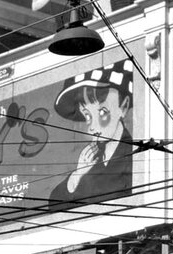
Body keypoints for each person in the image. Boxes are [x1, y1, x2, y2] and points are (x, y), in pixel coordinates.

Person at [48, 60, 134, 207]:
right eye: (87, 115)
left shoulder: (133, 156)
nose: (93, 127)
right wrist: (78, 174)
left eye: (102, 112)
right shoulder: (91, 158)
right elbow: (53, 205)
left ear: (124, 107)